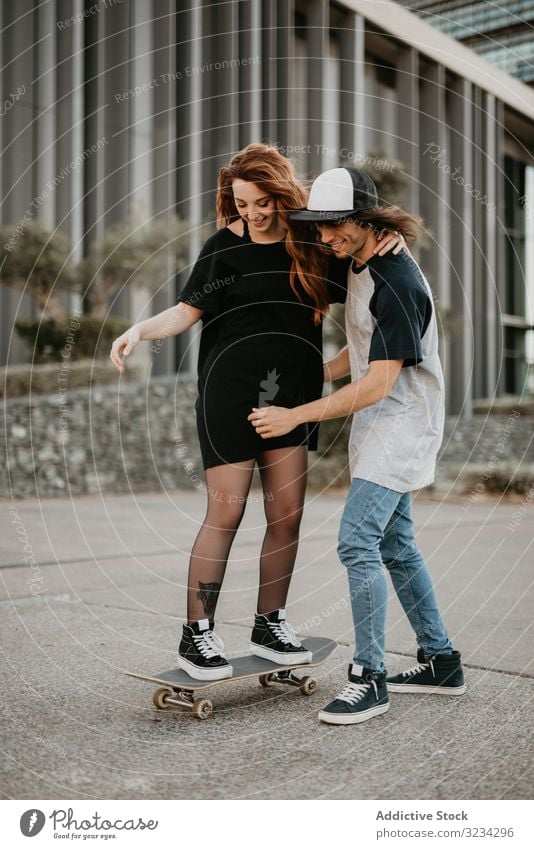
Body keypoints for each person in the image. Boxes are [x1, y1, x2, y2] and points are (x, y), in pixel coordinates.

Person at [110, 146, 405, 682]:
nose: (254, 213)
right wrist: (138, 330)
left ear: (282, 195)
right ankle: (195, 636)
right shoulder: (223, 248)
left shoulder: (312, 247)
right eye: (243, 203)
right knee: (226, 513)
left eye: (265, 201)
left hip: (292, 399)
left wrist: (393, 241)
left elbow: (362, 256)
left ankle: (271, 626)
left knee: (286, 516)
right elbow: (184, 312)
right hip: (229, 394)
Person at [249, 166, 466, 724]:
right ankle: (441, 662)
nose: (325, 237)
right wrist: (314, 376)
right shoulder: (362, 263)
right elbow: (363, 352)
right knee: (397, 547)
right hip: (381, 423)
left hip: (402, 425)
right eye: (319, 227)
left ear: (367, 219)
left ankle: (368, 677)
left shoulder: (399, 281)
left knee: (357, 543)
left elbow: (378, 381)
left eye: (335, 226)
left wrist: (294, 412)